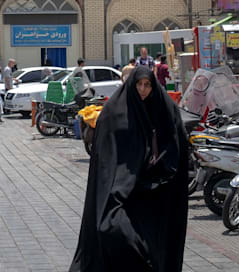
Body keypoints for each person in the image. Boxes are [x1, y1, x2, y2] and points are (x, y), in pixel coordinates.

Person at [69, 66, 189, 272]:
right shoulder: (115, 112)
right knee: (112, 230)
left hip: (154, 189)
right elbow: (106, 156)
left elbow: (176, 140)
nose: (143, 90)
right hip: (119, 190)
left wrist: (161, 167)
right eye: (139, 85)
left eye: (147, 85)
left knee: (153, 245)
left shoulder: (161, 107)